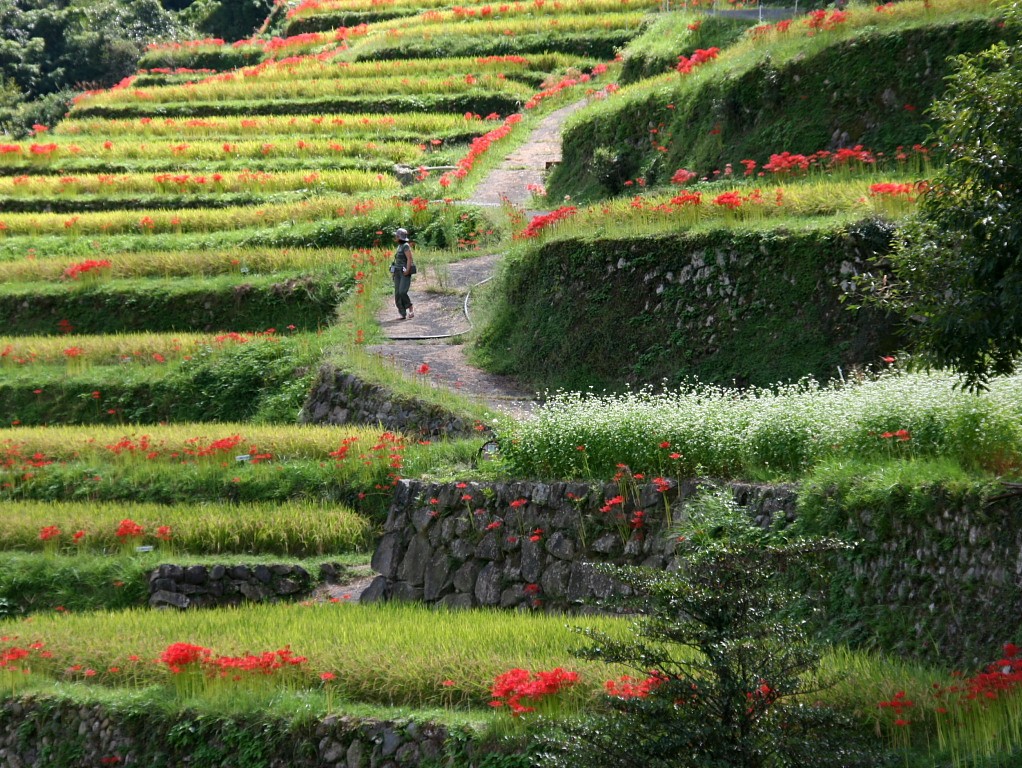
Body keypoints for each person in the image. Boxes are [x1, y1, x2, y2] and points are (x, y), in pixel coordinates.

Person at [391, 227, 415, 320]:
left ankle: (410, 306)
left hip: (404, 271)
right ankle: (402, 312)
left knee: (402, 292)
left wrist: (408, 270)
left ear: (399, 237)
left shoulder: (405, 246)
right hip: (397, 272)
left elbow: (409, 258)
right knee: (397, 294)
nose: (395, 237)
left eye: (396, 236)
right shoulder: (399, 246)